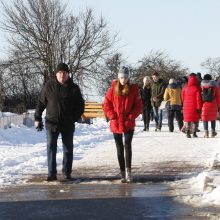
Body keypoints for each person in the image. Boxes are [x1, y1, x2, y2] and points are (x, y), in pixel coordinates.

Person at [34, 63, 84, 181]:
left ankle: (67, 172)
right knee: (51, 147)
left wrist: (74, 117)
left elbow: (80, 106)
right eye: (60, 73)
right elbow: (41, 103)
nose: (62, 75)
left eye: (65, 73)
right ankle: (52, 173)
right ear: (56, 74)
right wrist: (37, 118)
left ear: (68, 74)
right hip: (52, 123)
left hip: (67, 124)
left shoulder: (74, 88)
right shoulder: (49, 86)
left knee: (68, 148)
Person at [103, 66, 142, 183]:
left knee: (127, 145)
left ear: (128, 77)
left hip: (128, 122)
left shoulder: (134, 89)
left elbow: (138, 105)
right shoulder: (112, 89)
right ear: (118, 77)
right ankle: (122, 172)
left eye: (125, 77)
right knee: (119, 147)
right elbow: (106, 104)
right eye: (121, 77)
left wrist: (131, 116)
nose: (123, 79)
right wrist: (112, 116)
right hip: (116, 122)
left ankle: (128, 171)